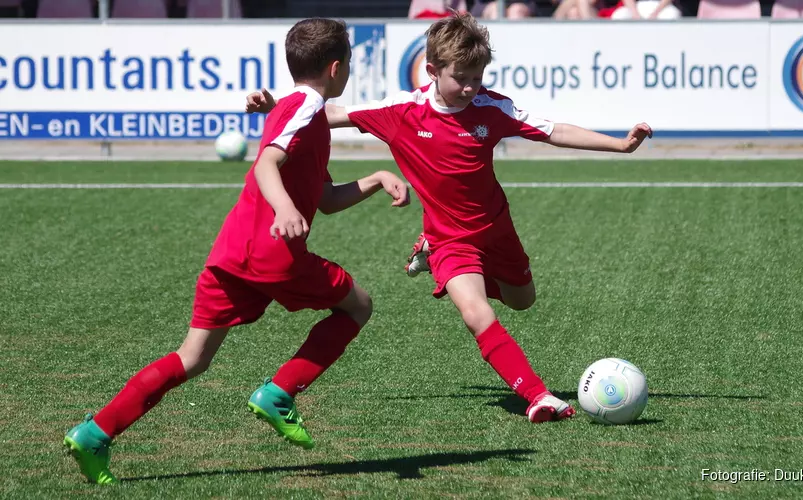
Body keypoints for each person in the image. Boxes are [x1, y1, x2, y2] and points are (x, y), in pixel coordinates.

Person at [246, 12, 652, 424]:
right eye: (462, 77)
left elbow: (554, 130)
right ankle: (538, 396)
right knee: (478, 314)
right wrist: (276, 107)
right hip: (450, 239)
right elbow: (330, 113)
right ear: (433, 70)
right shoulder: (401, 110)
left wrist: (621, 145)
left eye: (478, 76)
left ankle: (434, 255)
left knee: (522, 301)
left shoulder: (491, 108)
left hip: (497, 231)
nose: (471, 87)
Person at [63, 18, 410, 485]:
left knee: (193, 358)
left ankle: (94, 432)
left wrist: (374, 178)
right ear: (336, 68)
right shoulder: (306, 109)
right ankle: (280, 393)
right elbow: (267, 161)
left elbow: (326, 200)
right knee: (358, 306)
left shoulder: (297, 107)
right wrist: (284, 208)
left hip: (232, 252)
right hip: (272, 252)